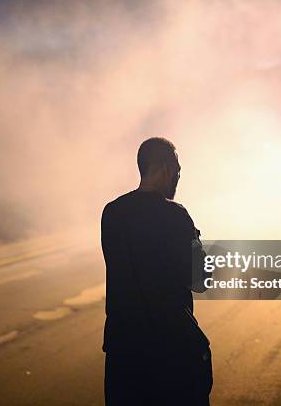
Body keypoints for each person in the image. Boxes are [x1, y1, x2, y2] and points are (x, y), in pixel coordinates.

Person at [101, 137, 212, 405]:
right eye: (177, 170)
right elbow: (199, 280)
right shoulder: (174, 216)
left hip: (123, 352)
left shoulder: (112, 213)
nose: (177, 177)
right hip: (170, 351)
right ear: (164, 168)